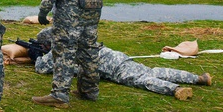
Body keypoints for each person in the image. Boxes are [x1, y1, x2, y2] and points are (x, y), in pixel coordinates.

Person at [30, 27, 212, 100]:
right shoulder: (78, 39)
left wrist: (35, 55)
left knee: (142, 80)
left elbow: (41, 68)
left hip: (115, 68)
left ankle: (175, 89)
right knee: (153, 71)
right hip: (118, 57)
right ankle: (198, 78)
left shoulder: (62, 47)